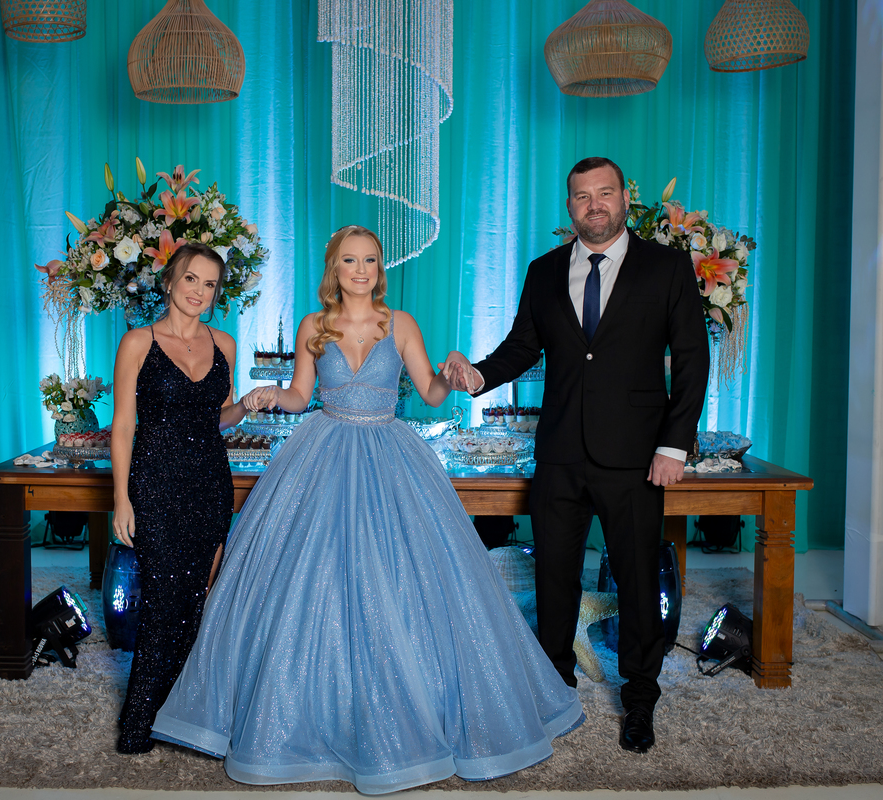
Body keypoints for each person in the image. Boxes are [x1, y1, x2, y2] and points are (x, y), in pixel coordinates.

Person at [150, 225, 584, 793]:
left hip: (389, 452)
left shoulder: (400, 324)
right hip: (323, 451)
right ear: (335, 268)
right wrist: (271, 394)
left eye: (370, 261)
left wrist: (453, 373)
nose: (361, 270)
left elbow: (429, 392)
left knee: (404, 577)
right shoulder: (313, 326)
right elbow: (300, 397)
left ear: (381, 268)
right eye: (350, 261)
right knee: (310, 579)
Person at [441, 157, 709, 754]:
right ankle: (553, 688)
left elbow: (693, 359)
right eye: (582, 196)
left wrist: (673, 445)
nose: (595, 205)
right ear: (570, 206)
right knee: (554, 578)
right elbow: (522, 347)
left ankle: (640, 698)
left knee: (636, 579)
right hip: (560, 452)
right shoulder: (543, 271)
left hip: (637, 455)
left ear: (623, 199)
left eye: (604, 193)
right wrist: (477, 375)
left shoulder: (666, 267)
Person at [110, 242, 273, 754]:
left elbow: (217, 417)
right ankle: (138, 722)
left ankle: (180, 718)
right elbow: (122, 428)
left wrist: (244, 405)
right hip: (155, 483)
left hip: (209, 483)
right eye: (190, 279)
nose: (199, 291)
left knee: (197, 602)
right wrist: (121, 499)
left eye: (209, 284)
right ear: (169, 282)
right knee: (163, 602)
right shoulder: (138, 342)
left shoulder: (224, 343)